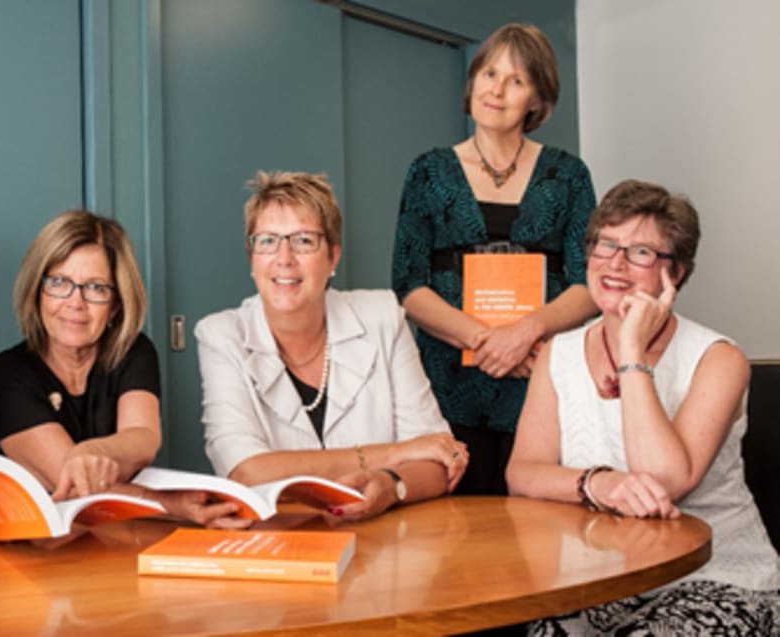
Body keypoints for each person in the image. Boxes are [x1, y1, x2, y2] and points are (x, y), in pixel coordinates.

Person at [507, 179, 780, 633]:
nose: (614, 264)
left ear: (677, 272)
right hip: (603, 578)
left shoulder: (719, 360)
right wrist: (598, 483)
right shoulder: (559, 352)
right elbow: (523, 472)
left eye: (640, 252)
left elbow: (664, 481)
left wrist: (632, 351)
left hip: (716, 577)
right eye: (605, 244)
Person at [391, 23, 599, 496]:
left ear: (537, 100)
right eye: (489, 74)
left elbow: (590, 284)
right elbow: (408, 283)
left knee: (541, 531)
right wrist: (490, 342)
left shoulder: (568, 175)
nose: (497, 90)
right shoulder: (428, 171)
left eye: (516, 81)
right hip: (446, 379)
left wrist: (524, 336)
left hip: (540, 375)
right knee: (454, 532)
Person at [196, 170, 467, 522]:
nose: (284, 258)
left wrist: (392, 484)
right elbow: (247, 472)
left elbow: (439, 458)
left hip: (384, 544)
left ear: (333, 257)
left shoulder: (383, 317)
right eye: (267, 241)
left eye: (304, 241)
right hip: (277, 543)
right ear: (252, 257)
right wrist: (396, 453)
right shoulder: (220, 335)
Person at [0, 210, 241, 526]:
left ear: (116, 304)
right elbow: (76, 484)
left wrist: (91, 450)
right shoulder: (6, 373)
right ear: (37, 292)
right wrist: (167, 504)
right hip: (36, 546)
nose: (75, 302)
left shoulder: (133, 351)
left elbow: (144, 438)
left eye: (96, 288)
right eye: (59, 282)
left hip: (116, 535)